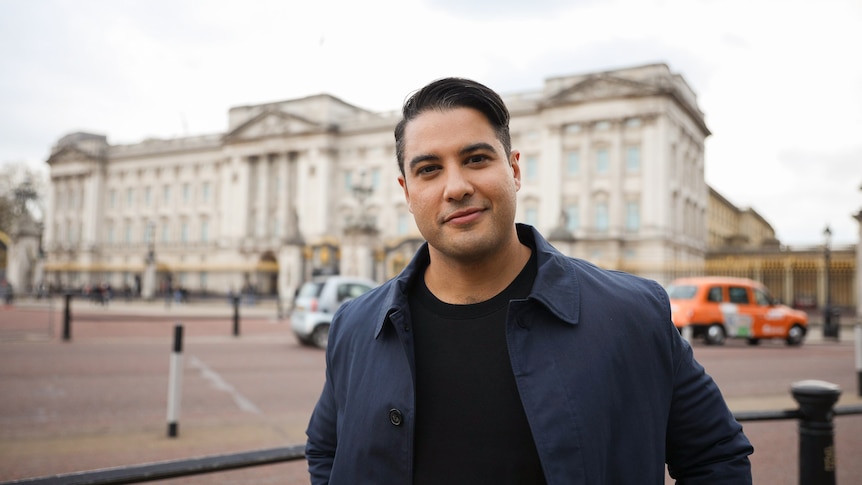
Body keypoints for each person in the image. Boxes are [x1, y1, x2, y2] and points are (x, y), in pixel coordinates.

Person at [305, 78, 753, 484]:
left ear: (515, 171)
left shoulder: (632, 313)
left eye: (476, 159)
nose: (456, 186)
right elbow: (327, 452)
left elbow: (716, 458)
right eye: (429, 169)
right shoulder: (354, 325)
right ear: (406, 192)